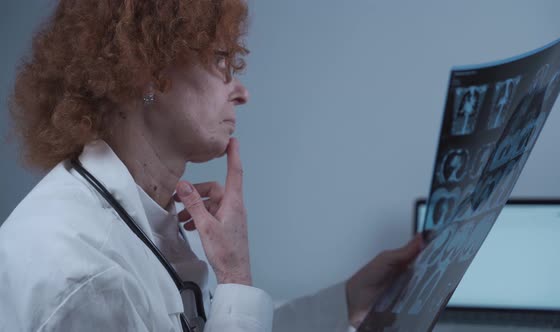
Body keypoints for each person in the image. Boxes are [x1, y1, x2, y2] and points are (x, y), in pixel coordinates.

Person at [0, 0, 423, 331]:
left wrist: (350, 302)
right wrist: (236, 279)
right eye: (221, 59)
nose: (241, 92)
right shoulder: (85, 278)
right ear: (147, 70)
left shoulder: (145, 219)